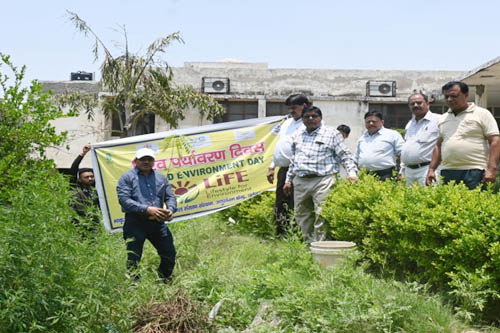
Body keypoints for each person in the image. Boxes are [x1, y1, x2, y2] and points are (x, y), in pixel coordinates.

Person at [283, 106, 358, 243]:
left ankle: (322, 247)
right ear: (303, 119)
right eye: (307, 116)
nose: (310, 119)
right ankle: (307, 247)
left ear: (321, 118)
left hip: (323, 180)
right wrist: (288, 180)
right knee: (301, 216)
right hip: (301, 181)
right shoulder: (297, 135)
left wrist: (352, 173)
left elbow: (345, 155)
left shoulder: (332, 134)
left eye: (314, 116)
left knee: (322, 215)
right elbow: (294, 160)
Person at [117, 148, 177, 282]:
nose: (146, 162)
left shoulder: (161, 178)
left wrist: (171, 210)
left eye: (149, 159)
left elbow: (170, 197)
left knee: (169, 253)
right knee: (134, 257)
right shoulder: (127, 178)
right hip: (135, 223)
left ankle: (163, 281)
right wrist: (147, 209)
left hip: (158, 223)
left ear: (154, 161)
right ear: (135, 161)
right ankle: (134, 286)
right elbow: (124, 200)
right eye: (143, 159)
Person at [426, 81, 500, 189]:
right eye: (446, 96)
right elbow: (438, 145)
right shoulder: (443, 118)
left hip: (475, 171)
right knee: (450, 205)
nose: (449, 99)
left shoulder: (482, 114)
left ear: (466, 95)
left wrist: (492, 169)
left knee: (475, 204)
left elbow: (495, 141)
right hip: (448, 171)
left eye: (454, 96)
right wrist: (431, 169)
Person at [267, 94, 310, 235]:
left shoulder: (309, 123)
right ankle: (281, 234)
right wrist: (272, 166)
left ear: (304, 105)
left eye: (294, 107)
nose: (291, 111)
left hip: (297, 170)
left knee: (296, 203)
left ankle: (297, 235)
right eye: (289, 108)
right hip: (283, 168)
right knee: (281, 203)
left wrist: (290, 178)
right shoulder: (287, 123)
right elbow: (281, 145)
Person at [398, 92, 441, 185]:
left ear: (428, 104)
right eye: (412, 104)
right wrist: (402, 170)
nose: (415, 105)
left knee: (429, 198)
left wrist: (432, 169)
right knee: (409, 199)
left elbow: (442, 145)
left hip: (427, 169)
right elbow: (406, 147)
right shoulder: (410, 124)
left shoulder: (438, 120)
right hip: (409, 171)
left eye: (419, 102)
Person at [355, 110, 404, 181]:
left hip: (386, 175)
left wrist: (402, 171)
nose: (371, 123)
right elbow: (356, 157)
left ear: (382, 122)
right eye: (368, 122)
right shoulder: (362, 138)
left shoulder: (392, 135)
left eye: (374, 121)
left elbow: (403, 153)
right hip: (365, 176)